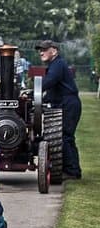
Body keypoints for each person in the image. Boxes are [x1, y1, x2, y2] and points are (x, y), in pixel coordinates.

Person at [37, 40, 82, 179]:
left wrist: (34, 90)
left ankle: (71, 171)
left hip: (68, 103)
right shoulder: (56, 64)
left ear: (54, 51)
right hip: (66, 102)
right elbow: (52, 92)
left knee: (64, 136)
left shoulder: (57, 64)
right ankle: (72, 170)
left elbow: (50, 81)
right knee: (66, 137)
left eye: (44, 49)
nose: (41, 52)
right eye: (40, 50)